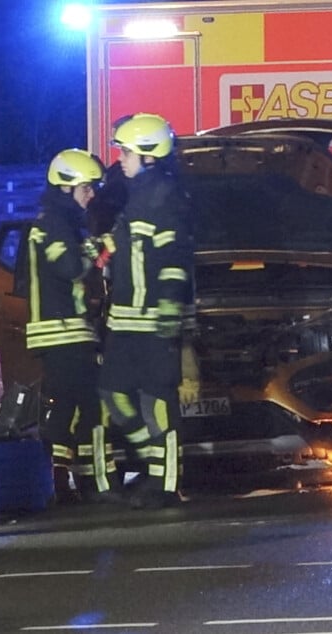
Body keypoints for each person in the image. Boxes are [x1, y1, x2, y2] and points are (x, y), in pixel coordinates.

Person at [98, 113, 194, 510]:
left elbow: (172, 256)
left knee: (159, 403)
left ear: (149, 155)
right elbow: (126, 242)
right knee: (112, 393)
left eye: (126, 151)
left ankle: (166, 484)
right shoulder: (138, 195)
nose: (120, 158)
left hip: (153, 320)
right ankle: (150, 461)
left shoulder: (164, 197)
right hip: (123, 320)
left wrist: (169, 307)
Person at [26, 148, 121, 504]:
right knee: (93, 407)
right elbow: (71, 267)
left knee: (69, 408)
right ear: (65, 187)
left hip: (68, 329)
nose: (91, 194)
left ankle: (65, 480)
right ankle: (98, 482)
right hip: (62, 330)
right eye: (86, 187)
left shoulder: (59, 221)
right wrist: (103, 246)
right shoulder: (51, 224)